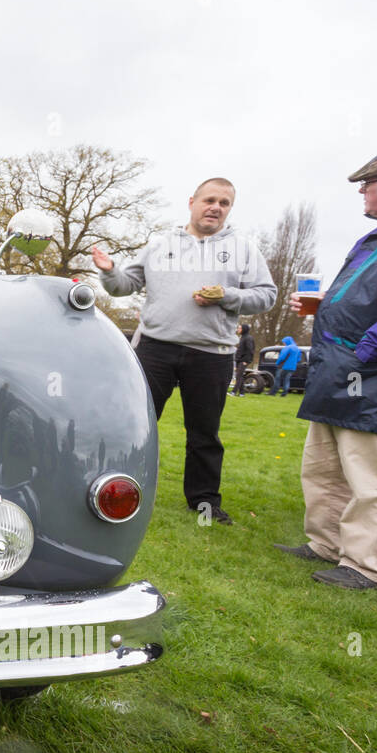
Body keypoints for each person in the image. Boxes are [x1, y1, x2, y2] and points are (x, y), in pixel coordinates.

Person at [93, 178, 276, 524]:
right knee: (136, 425)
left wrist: (227, 296)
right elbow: (124, 286)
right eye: (210, 200)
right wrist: (109, 271)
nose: (215, 208)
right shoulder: (160, 244)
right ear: (192, 202)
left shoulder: (243, 249)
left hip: (212, 353)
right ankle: (113, 491)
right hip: (155, 348)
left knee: (204, 433)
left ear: (229, 209)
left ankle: (204, 502)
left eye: (224, 203)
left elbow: (267, 295)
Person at [274, 143, 377, 589]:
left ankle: (369, 566)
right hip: (337, 365)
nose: (362, 193)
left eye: (367, 184)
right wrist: (321, 308)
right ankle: (327, 544)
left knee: (373, 474)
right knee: (324, 465)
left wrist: (373, 346)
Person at [232, 322, 255, 396]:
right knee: (239, 376)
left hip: (244, 360)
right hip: (239, 360)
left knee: (238, 376)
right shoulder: (242, 337)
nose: (238, 329)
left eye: (239, 328)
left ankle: (233, 392)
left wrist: (246, 361)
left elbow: (250, 350)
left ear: (244, 329)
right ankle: (242, 393)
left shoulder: (248, 338)